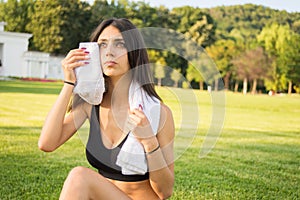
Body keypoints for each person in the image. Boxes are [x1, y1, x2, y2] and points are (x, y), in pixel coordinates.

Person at [38, 18, 175, 200]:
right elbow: (47, 143)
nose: (109, 52)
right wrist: (69, 83)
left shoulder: (157, 112)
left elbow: (165, 191)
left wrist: (149, 141)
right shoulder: (90, 102)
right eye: (102, 45)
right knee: (79, 178)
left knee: (80, 176)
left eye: (119, 44)